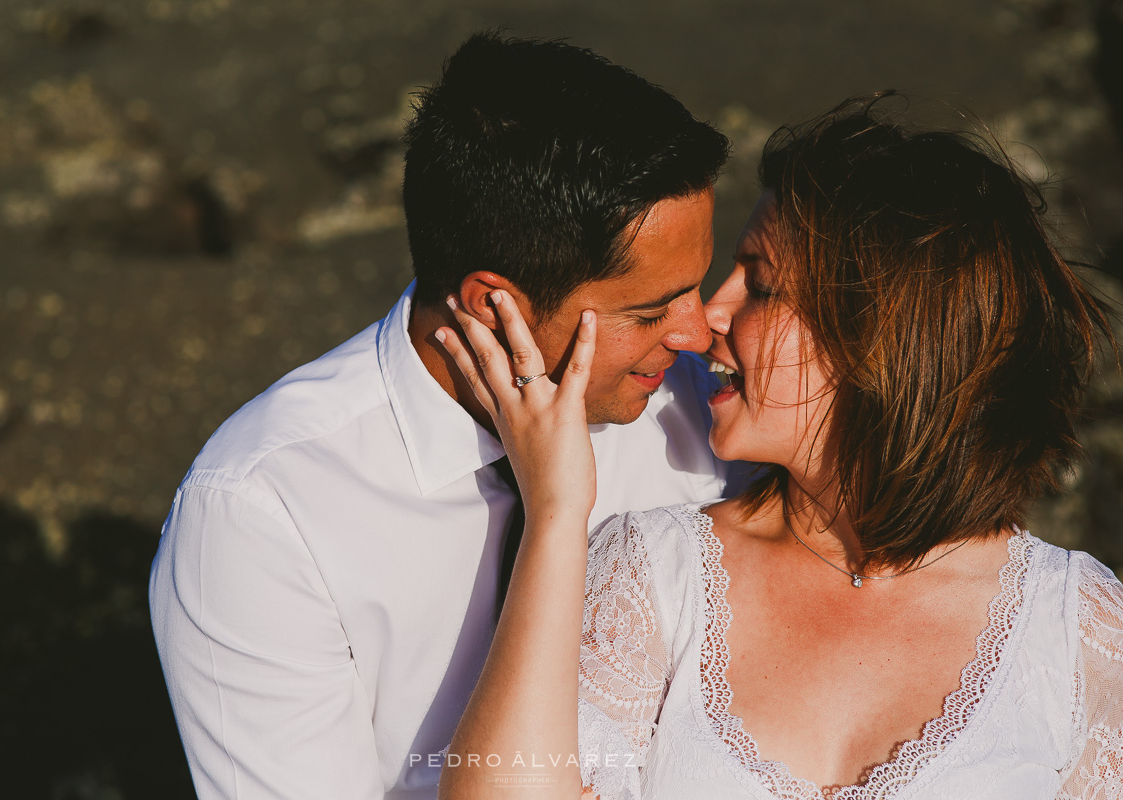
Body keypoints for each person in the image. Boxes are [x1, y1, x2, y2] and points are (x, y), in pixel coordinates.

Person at [436, 94, 1123, 800]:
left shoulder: (1079, 630)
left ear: (881, 336)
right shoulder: (654, 574)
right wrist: (555, 516)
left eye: (761, 285)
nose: (708, 318)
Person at [148, 32, 741, 800]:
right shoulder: (265, 514)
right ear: (496, 305)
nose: (697, 337)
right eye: (650, 310)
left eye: (698, 286)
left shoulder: (699, 412)